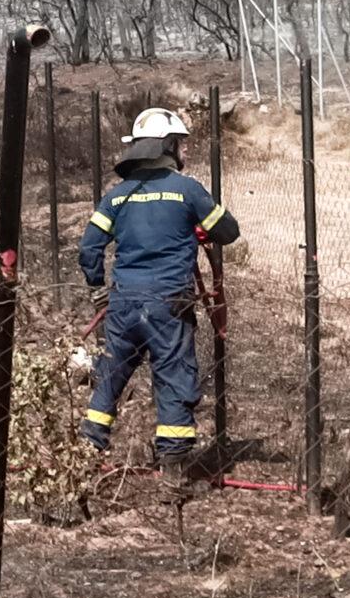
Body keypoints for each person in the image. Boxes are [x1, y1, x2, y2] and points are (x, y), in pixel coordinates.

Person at [77, 107, 240, 467]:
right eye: (182, 144)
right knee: (173, 378)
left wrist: (98, 289)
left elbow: (89, 247)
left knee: (110, 378)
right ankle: (172, 474)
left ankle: (84, 458)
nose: (187, 151)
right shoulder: (187, 190)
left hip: (123, 305)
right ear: (167, 145)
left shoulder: (116, 197)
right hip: (170, 306)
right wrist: (197, 224)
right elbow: (228, 232)